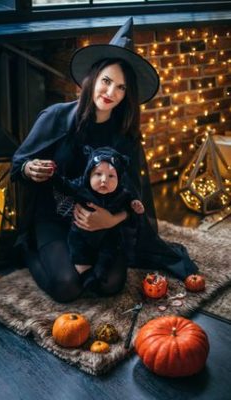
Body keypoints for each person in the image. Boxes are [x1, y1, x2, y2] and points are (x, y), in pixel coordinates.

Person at [10, 17, 198, 303]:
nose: (111, 93)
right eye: (106, 81)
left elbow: (136, 193)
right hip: (56, 218)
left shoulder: (126, 134)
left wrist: (112, 219)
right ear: (93, 79)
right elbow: (19, 164)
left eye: (121, 88)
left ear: (127, 95)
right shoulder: (56, 117)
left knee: (110, 284)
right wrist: (29, 168)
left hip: (106, 222)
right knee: (67, 287)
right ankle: (29, 250)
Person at [51, 145, 144, 290]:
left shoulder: (122, 193)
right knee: (78, 252)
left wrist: (134, 204)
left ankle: (100, 272)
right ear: (89, 174)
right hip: (81, 234)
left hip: (108, 235)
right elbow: (65, 186)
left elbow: (129, 206)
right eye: (98, 174)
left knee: (109, 251)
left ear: (119, 179)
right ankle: (86, 275)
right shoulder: (82, 186)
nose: (104, 180)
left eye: (111, 176)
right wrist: (54, 176)